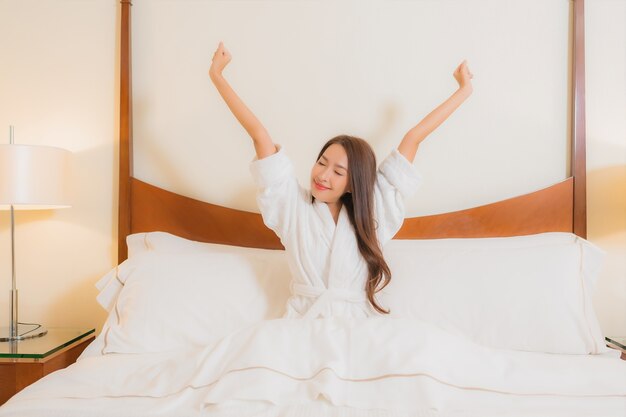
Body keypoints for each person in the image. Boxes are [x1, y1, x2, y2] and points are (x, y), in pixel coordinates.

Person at [209, 41, 473, 319]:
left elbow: (413, 138)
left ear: (353, 183)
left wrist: (463, 91)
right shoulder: (292, 207)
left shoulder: (375, 211)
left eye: (337, 172)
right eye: (321, 162)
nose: (323, 175)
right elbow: (260, 136)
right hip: (302, 326)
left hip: (361, 329)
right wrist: (218, 77)